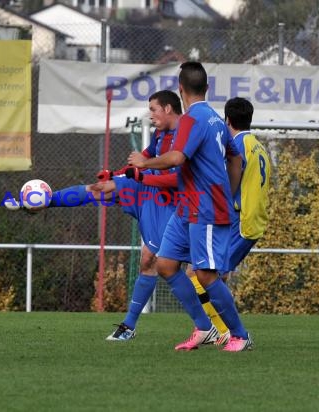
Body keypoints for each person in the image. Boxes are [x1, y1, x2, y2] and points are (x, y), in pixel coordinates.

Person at [6, 90, 228, 342]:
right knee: (104, 192)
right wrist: (117, 172)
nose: (150, 114)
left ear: (168, 109)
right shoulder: (161, 134)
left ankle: (215, 328)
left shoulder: (185, 133)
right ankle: (46, 201)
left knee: (174, 266)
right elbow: (143, 159)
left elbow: (177, 177)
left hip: (174, 202)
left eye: (153, 109)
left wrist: (140, 175)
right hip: (151, 191)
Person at [128, 61, 252, 352]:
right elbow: (236, 159)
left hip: (207, 207)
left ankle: (241, 335)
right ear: (207, 88)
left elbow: (176, 158)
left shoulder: (191, 120)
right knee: (166, 264)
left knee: (206, 274)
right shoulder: (214, 119)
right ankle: (204, 328)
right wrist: (230, 190)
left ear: (180, 89)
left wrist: (144, 162)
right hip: (189, 206)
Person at [223, 97, 270, 278]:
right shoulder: (258, 146)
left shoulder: (237, 145)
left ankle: (218, 308)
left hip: (241, 219)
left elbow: (231, 180)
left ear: (227, 120)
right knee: (220, 273)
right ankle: (218, 307)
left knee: (208, 274)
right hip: (254, 218)